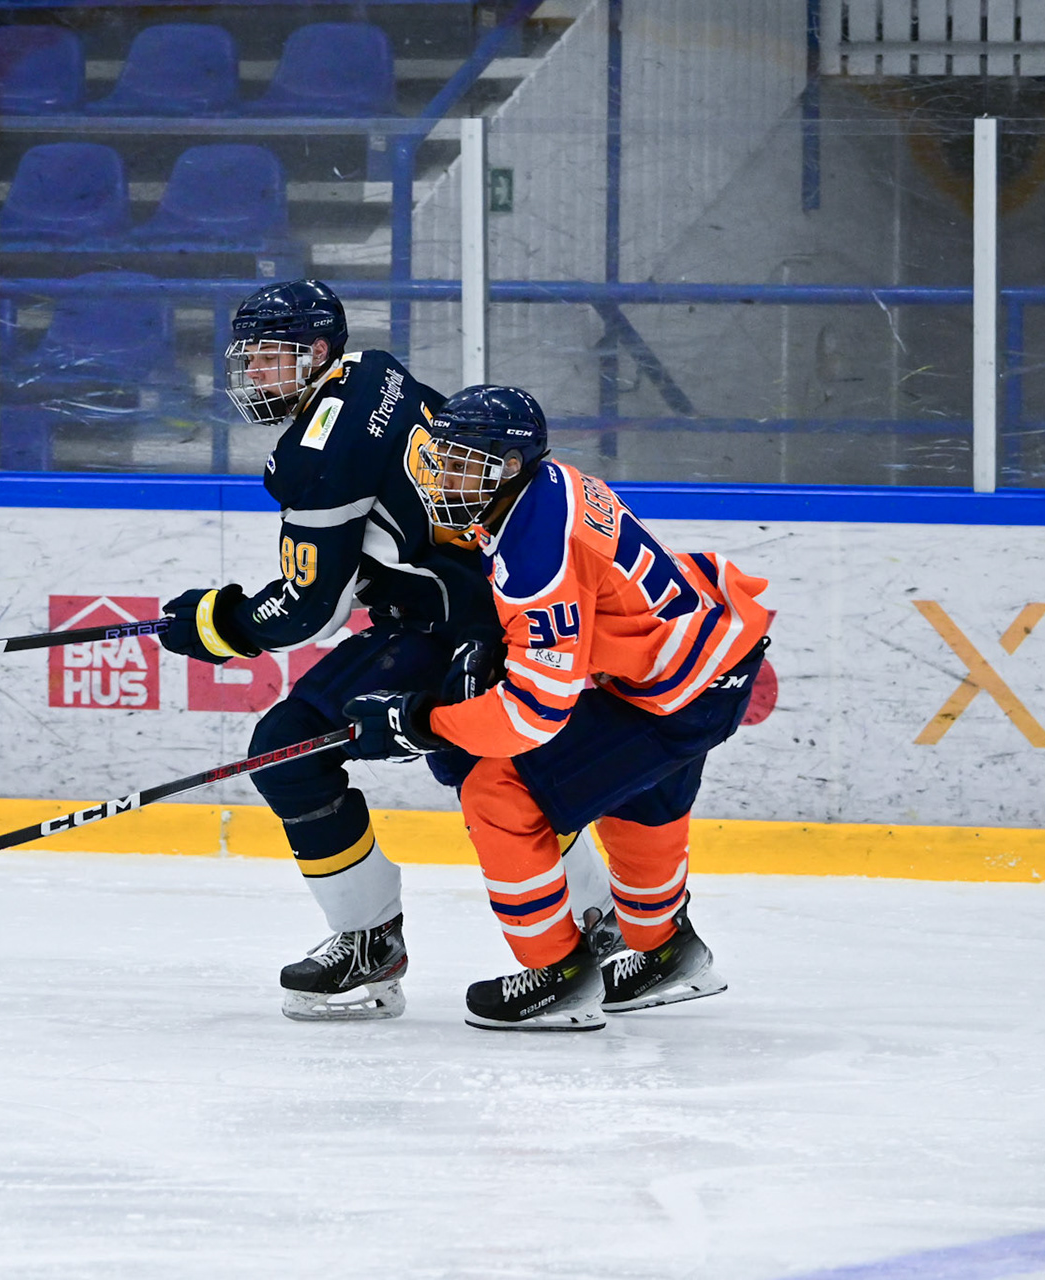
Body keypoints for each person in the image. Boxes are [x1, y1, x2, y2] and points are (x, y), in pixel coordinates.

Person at [155, 281, 608, 1022]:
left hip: (456, 623)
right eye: (249, 358)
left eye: (269, 357)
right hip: (475, 606)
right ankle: (600, 920)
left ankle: (377, 942)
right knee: (484, 773)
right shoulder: (375, 374)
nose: (253, 374)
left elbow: (310, 610)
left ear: (317, 352)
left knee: (301, 751)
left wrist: (215, 623)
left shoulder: (319, 453)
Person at [343, 385, 772, 1031]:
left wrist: (421, 723)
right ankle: (666, 955)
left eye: (461, 463)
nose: (443, 477)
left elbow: (531, 716)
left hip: (678, 692)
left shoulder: (535, 555)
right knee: (638, 801)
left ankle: (558, 977)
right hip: (699, 665)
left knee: (497, 792)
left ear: (509, 465)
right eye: (440, 459)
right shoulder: (554, 484)